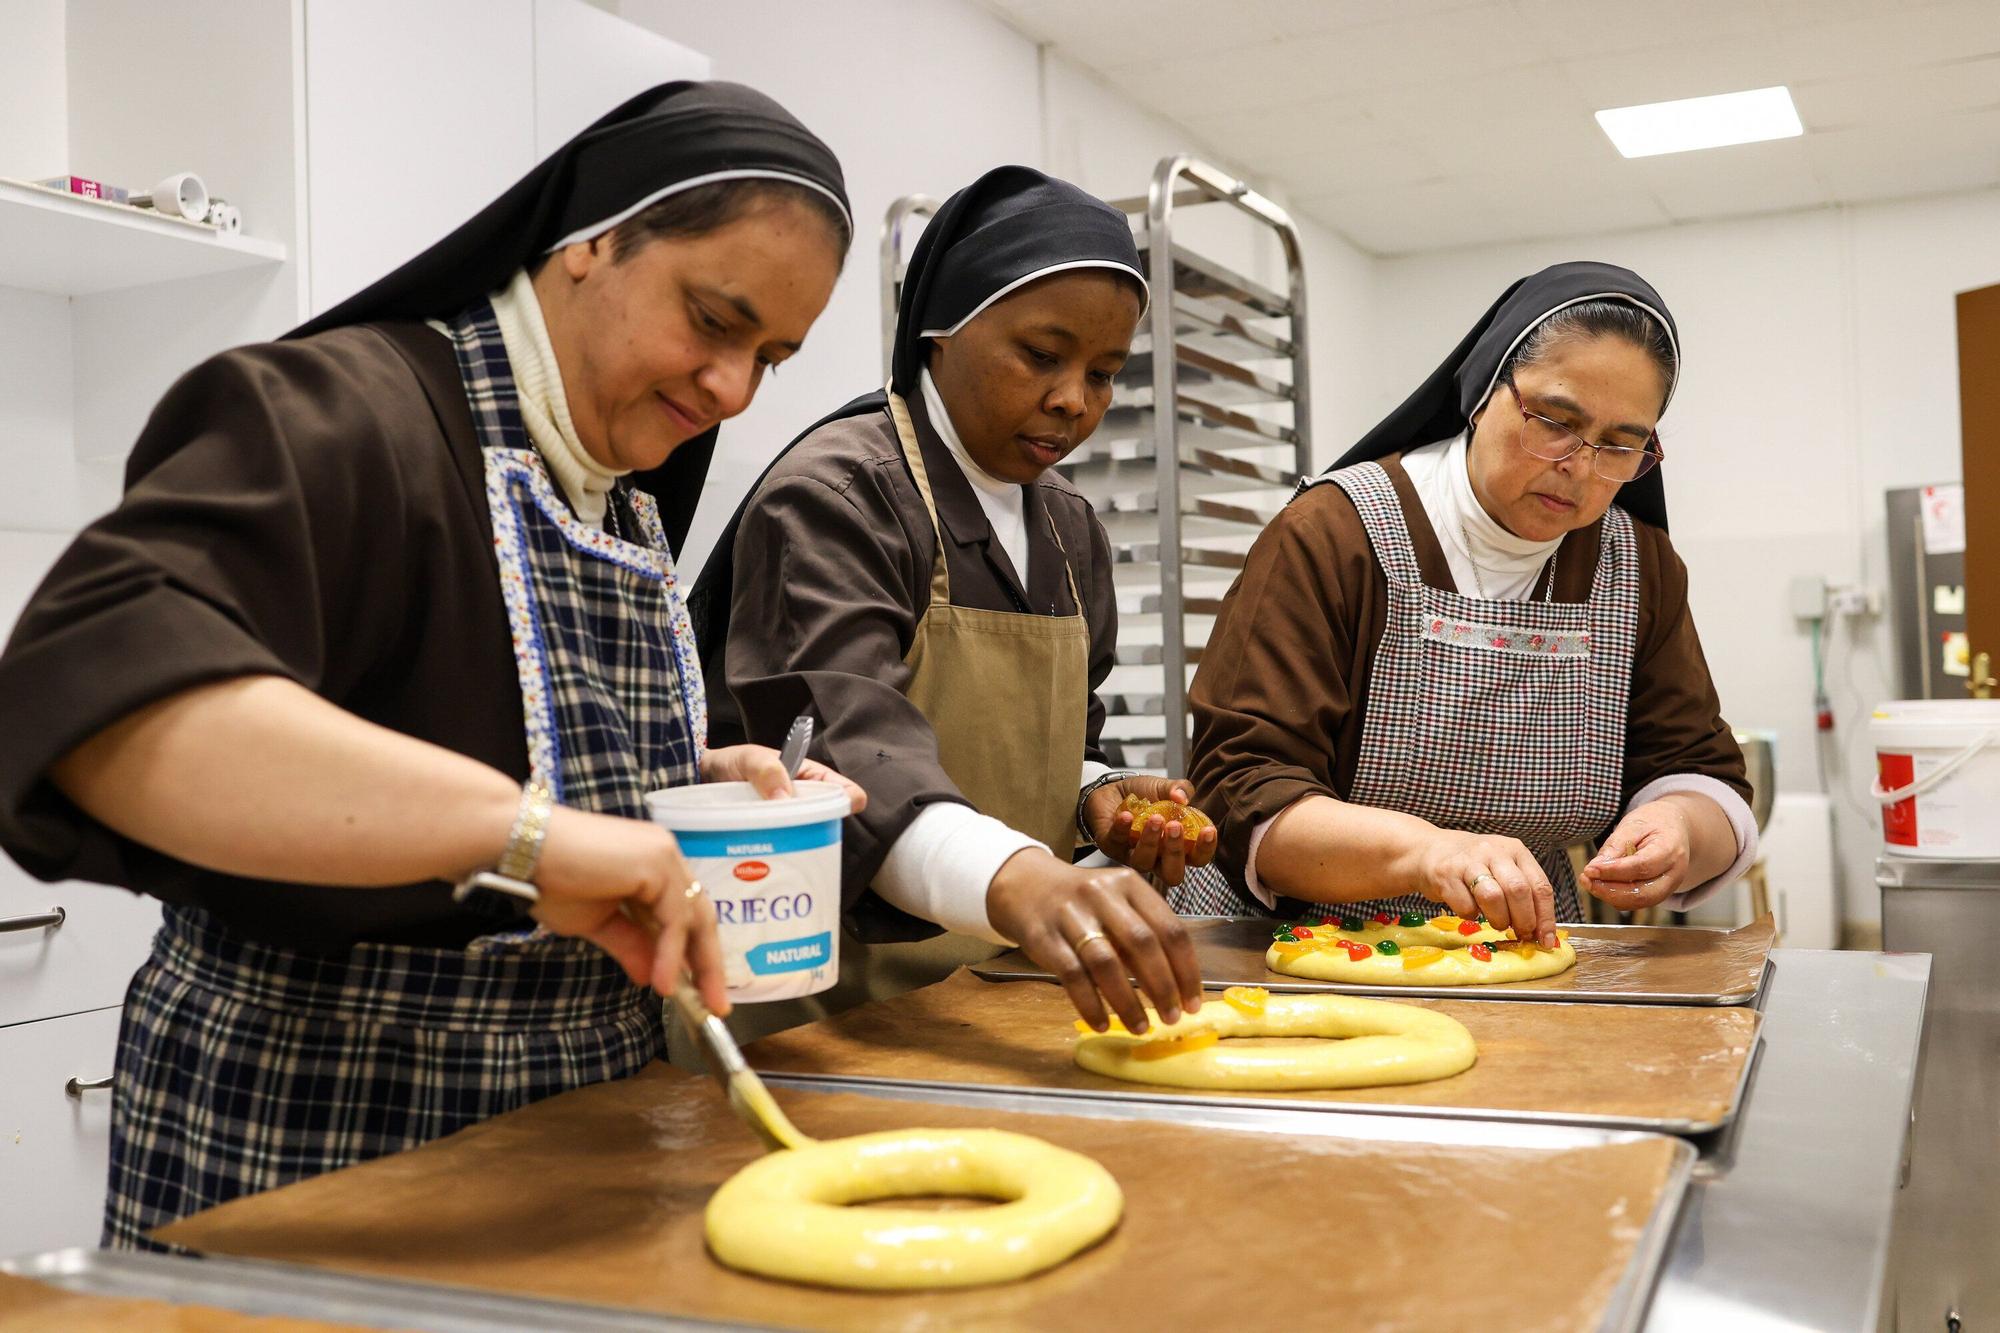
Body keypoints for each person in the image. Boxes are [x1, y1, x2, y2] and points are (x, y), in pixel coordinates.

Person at [0, 81, 862, 1246]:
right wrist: (532, 837)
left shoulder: (618, 498)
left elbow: (459, 705)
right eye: (714, 320)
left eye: (772, 356)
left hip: (583, 1130)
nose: (733, 391)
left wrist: (691, 778)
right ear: (589, 242)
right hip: (318, 1135)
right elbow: (112, 715)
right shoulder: (339, 414)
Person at [692, 166, 1215, 1037]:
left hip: (994, 995)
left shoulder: (1068, 532)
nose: (1072, 400)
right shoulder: (841, 496)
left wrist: (1098, 798)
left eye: (1104, 371)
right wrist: (1025, 881)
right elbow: (848, 755)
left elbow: (1055, 744)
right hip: (823, 1004)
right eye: (1042, 356)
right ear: (941, 330)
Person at [1185, 262, 1756, 940]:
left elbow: (1699, 768)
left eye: (1620, 444)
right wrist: (1428, 852)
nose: (1579, 467)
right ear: (1485, 391)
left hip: (1515, 950)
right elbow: (1243, 789)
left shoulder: (1636, 567)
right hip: (1290, 946)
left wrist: (1683, 825)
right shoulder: (1334, 536)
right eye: (1554, 420)